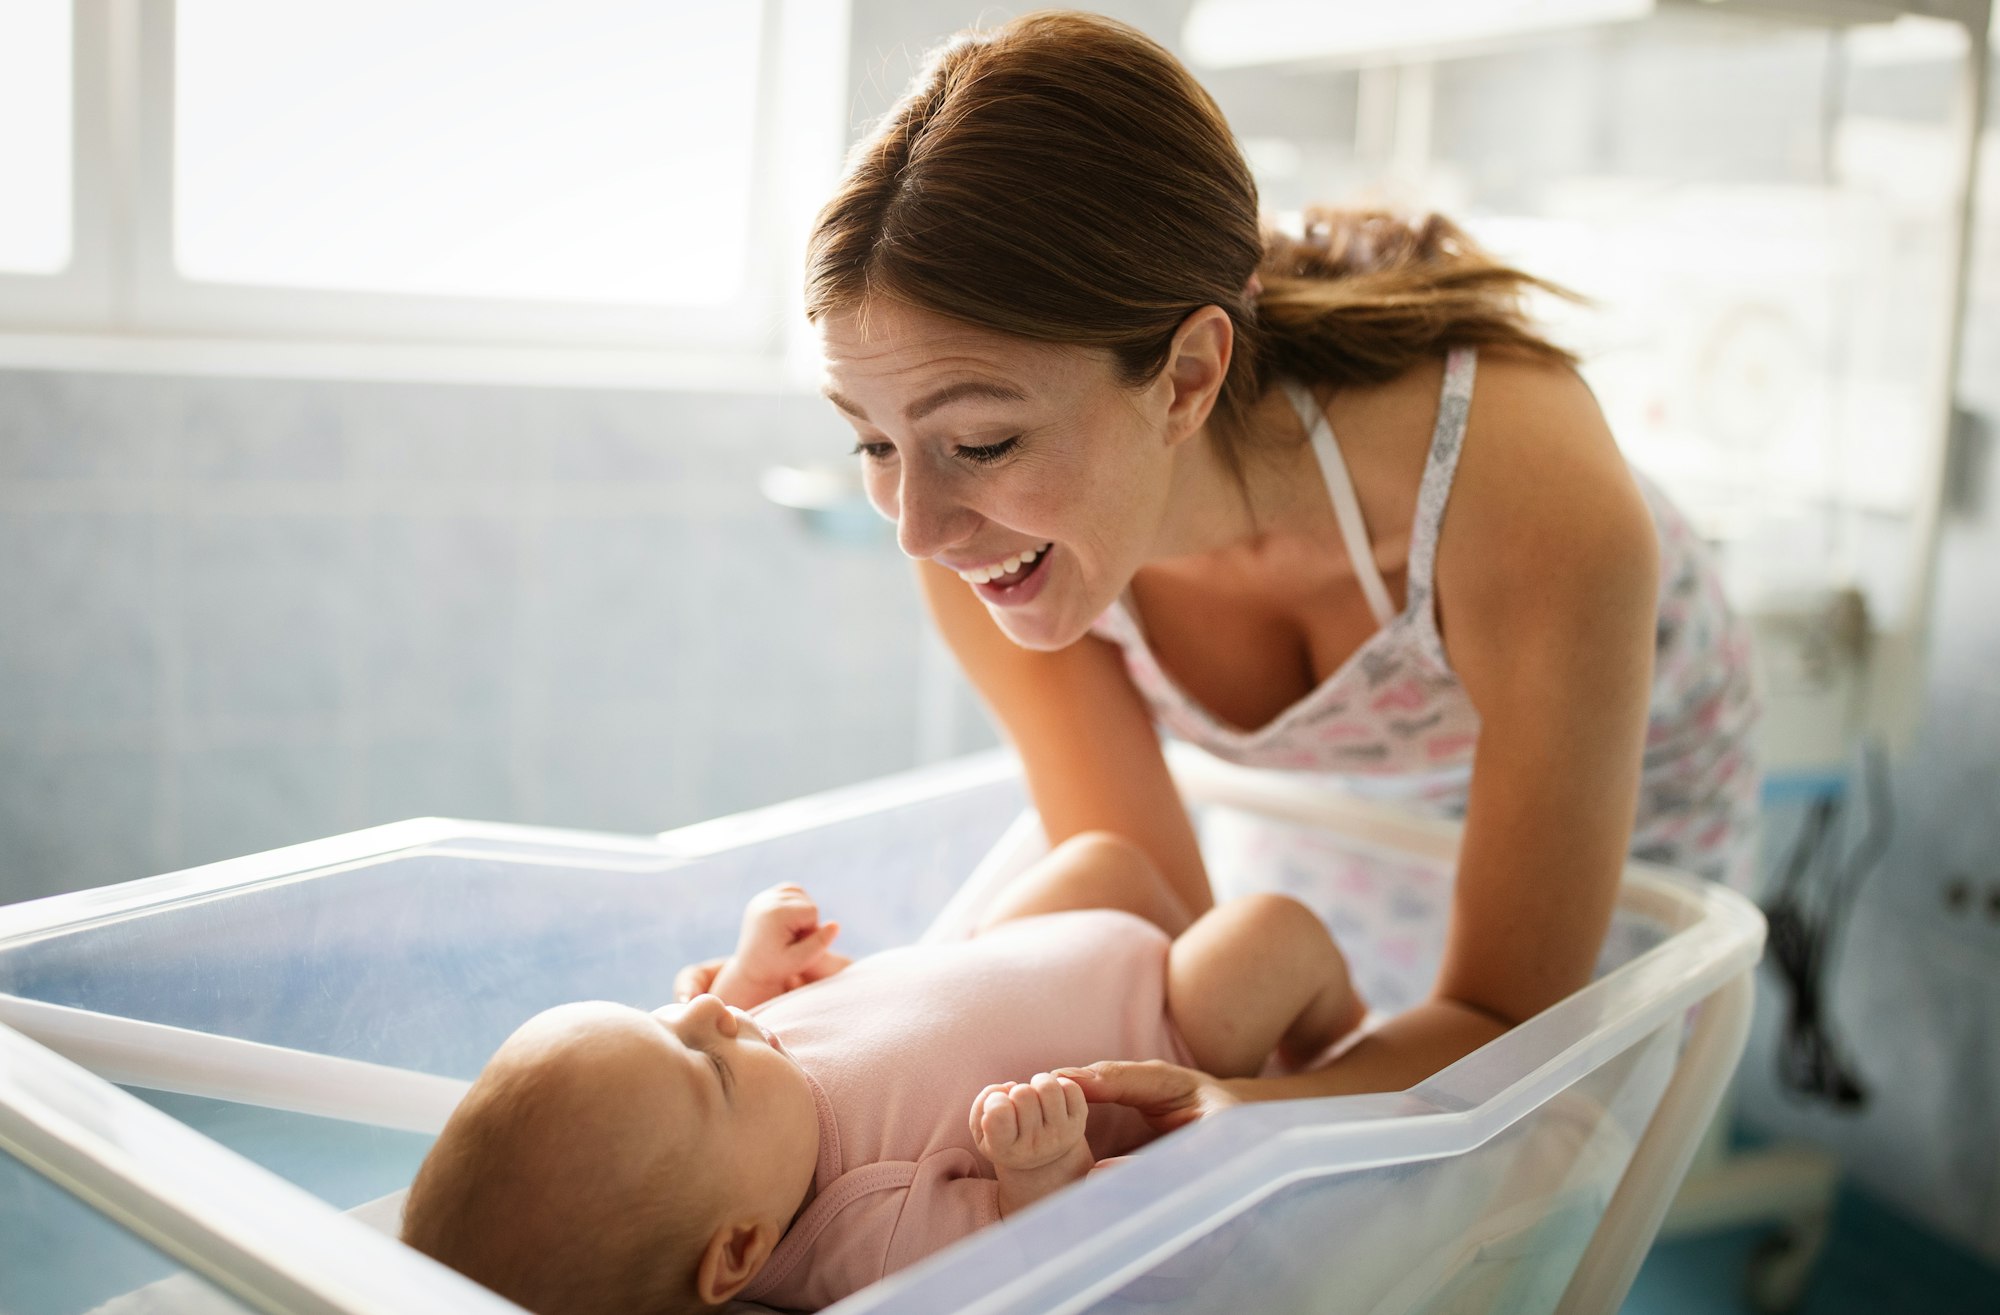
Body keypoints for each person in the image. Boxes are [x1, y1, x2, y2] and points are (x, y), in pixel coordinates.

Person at [807, 9, 1758, 1120]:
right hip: (1326, 790)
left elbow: (1503, 1022)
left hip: (1620, 784)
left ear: (1185, 375)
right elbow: (1153, 935)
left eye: (980, 442)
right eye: (872, 441)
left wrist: (1238, 1120)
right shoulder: (986, 539)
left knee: (1541, 1146)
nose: (916, 526)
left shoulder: (1522, 490)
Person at [399, 833, 1364, 1315]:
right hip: (1160, 1026)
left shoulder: (734, 1116)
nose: (701, 1014)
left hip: (1019, 951)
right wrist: (1037, 1174)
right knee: (1265, 936)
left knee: (1099, 855)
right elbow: (1040, 1258)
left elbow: (725, 1028)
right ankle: (1339, 1040)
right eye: (705, 1063)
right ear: (738, 1253)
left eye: (664, 1020)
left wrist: (752, 979)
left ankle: (1192, 932)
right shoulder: (867, 1232)